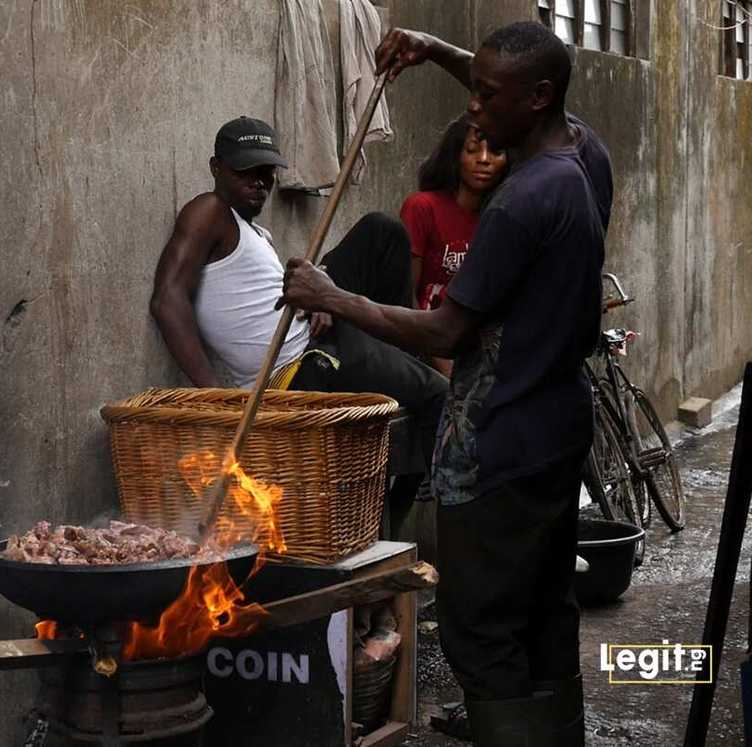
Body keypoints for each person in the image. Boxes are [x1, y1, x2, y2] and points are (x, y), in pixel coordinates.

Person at [281, 21, 612, 746]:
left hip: (502, 443)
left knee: (481, 628)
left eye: (488, 95)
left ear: (538, 98)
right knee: (544, 612)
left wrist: (332, 296)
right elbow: (511, 87)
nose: (473, 108)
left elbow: (445, 333)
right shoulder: (583, 155)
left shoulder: (523, 202)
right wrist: (435, 52)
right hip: (557, 430)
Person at [149, 116, 448, 527]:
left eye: (266, 173)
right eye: (245, 172)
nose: (259, 183)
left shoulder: (256, 233)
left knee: (383, 231)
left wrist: (318, 295)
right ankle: (407, 519)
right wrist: (216, 396)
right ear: (216, 168)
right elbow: (167, 300)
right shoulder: (209, 210)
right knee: (440, 395)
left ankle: (397, 355)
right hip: (303, 365)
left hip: (317, 332)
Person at [401, 116, 508, 376]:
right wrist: (444, 369)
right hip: (422, 344)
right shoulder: (422, 208)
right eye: (472, 150)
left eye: (495, 151)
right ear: (455, 155)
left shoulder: (502, 219)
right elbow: (407, 296)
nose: (483, 159)